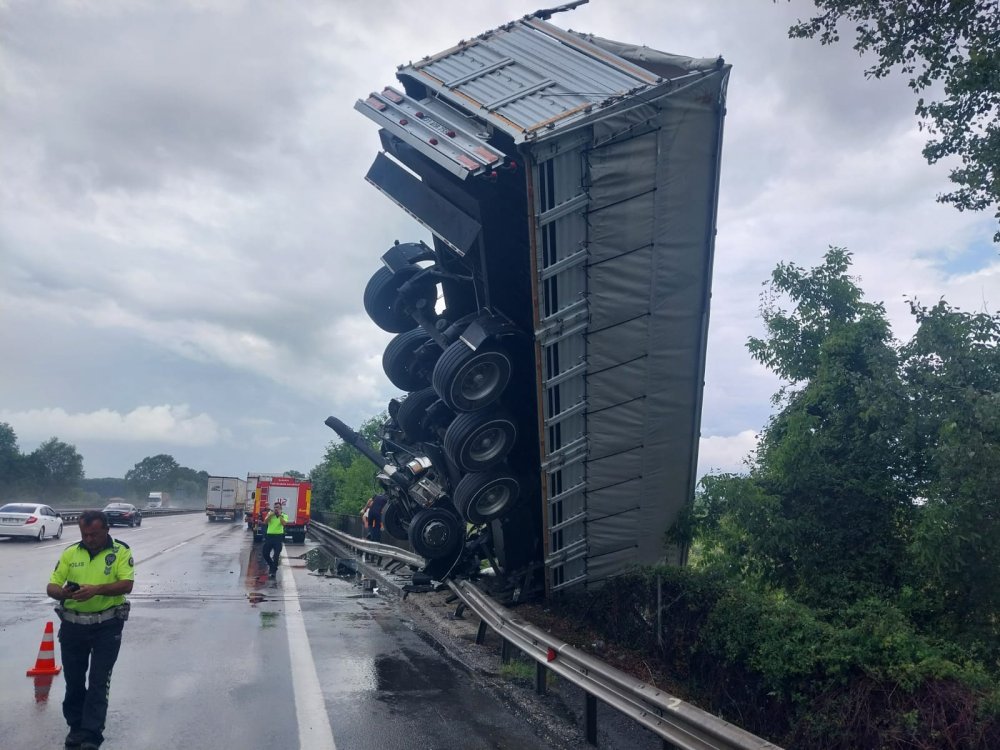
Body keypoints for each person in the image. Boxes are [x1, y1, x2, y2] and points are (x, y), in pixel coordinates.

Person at [46, 509, 135, 750]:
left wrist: (96, 589)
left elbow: (127, 584)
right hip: (73, 626)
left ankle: (92, 733)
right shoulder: (70, 552)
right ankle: (76, 727)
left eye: (94, 534)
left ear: (106, 529)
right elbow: (51, 586)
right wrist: (63, 592)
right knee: (74, 681)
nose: (89, 539)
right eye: (85, 534)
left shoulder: (120, 551)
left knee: (98, 681)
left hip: (107, 625)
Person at [261, 500, 288, 578]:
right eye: (275, 507)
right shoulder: (270, 514)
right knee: (265, 554)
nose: (276, 509)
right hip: (269, 537)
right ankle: (272, 566)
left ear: (281, 509)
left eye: (278, 508)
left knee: (276, 556)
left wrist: (279, 516)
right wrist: (270, 515)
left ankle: (272, 571)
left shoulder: (284, 515)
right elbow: (265, 522)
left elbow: (284, 524)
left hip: (278, 537)